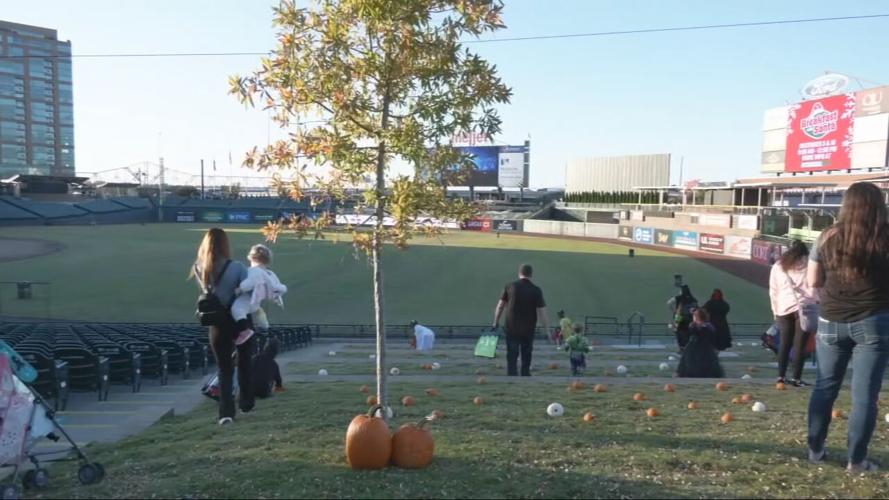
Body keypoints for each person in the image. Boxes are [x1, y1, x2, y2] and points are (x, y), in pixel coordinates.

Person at [806, 182, 889, 473]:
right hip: (875, 323)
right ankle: (856, 461)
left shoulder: (827, 236)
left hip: (831, 320)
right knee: (865, 395)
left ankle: (815, 451)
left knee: (825, 387)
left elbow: (813, 281)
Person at [190, 228, 255, 425]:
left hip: (216, 324)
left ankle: (226, 413)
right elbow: (249, 293)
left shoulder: (199, 267)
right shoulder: (237, 267)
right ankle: (246, 403)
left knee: (224, 369)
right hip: (239, 322)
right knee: (244, 363)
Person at [769, 239, 819, 387]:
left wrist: (775, 310)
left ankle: (781, 377)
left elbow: (773, 290)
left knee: (784, 344)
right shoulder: (810, 264)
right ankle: (796, 378)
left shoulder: (779, 266)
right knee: (800, 346)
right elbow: (815, 288)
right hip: (804, 308)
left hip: (783, 309)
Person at [493, 263, 549, 376]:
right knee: (527, 352)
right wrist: (547, 329)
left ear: (519, 273)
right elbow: (542, 312)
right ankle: (525, 373)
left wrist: (496, 322)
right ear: (531, 275)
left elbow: (500, 306)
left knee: (512, 353)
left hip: (511, 326)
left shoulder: (510, 286)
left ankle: (512, 374)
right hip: (528, 327)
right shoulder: (536, 290)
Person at [231, 244, 288, 344]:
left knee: (237, 309)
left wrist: (239, 289)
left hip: (248, 299)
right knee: (257, 309)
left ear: (252, 257)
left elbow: (249, 283)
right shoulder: (270, 273)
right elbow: (277, 286)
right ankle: (265, 325)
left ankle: (244, 330)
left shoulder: (254, 271)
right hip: (257, 302)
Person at [676, 308, 724, 378]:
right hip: (708, 354)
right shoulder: (710, 326)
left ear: (695, 317)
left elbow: (685, 333)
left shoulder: (695, 327)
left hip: (694, 355)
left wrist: (678, 320)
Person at [669, 285, 698, 349]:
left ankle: (681, 348)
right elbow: (696, 308)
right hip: (689, 318)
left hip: (679, 316)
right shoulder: (693, 299)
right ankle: (687, 347)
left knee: (678, 331)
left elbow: (669, 303)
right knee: (688, 332)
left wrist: (674, 311)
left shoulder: (678, 297)